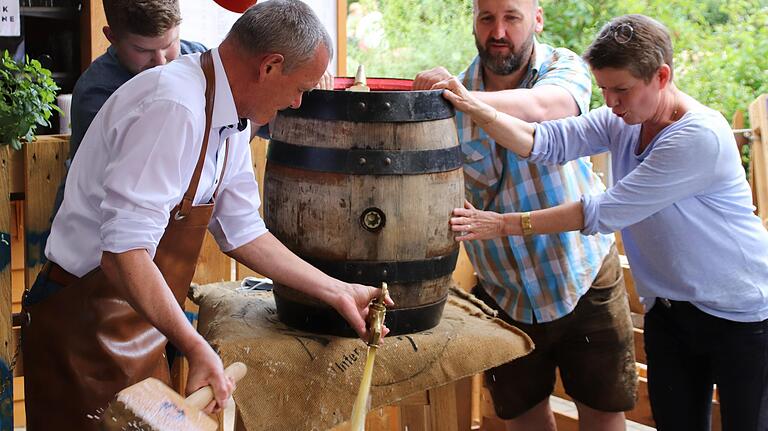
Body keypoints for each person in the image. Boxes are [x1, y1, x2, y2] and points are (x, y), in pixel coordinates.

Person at [21, 1, 391, 429]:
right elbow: (124, 252)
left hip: (137, 321)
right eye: (300, 86)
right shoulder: (174, 106)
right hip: (83, 326)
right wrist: (196, 346)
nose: (298, 100)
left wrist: (338, 291)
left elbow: (244, 232)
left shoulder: (229, 115)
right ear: (270, 66)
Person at [438, 14, 768, 431]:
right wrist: (475, 107)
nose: (610, 102)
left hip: (740, 316)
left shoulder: (697, 136)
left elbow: (603, 211)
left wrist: (502, 224)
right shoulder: (624, 122)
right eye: (605, 90)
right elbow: (548, 141)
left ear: (661, 76)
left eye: (622, 90)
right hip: (669, 311)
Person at [413, 1, 636, 430]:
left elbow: (545, 108)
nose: (499, 31)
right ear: (474, 23)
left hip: (582, 277)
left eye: (511, 18)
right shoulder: (450, 99)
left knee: (604, 414)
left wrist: (465, 101)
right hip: (504, 289)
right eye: (487, 18)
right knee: (525, 419)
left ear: (537, 18)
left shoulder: (563, 67)